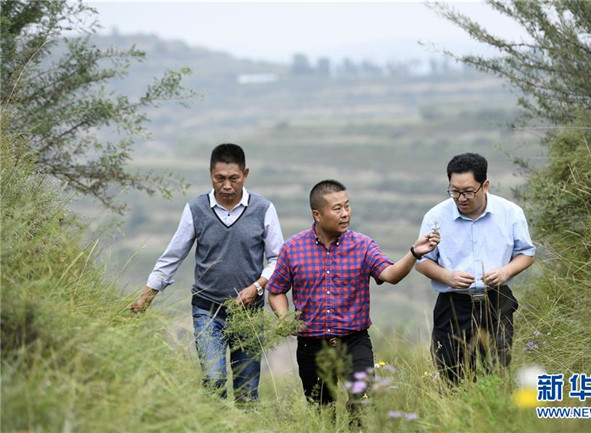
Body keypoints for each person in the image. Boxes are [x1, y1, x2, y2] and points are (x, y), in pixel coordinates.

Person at [130, 143, 284, 402]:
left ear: (245, 174)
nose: (227, 185)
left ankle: (244, 422)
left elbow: (278, 258)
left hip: (249, 313)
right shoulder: (196, 209)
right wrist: (147, 295)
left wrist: (257, 287)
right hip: (207, 309)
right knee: (214, 380)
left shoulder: (263, 209)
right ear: (211, 174)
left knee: (247, 391)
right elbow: (173, 255)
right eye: (219, 178)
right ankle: (214, 420)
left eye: (233, 178)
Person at [266, 179, 439, 408]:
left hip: (354, 342)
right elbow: (276, 290)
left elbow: (391, 274)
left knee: (363, 404)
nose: (345, 213)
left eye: (347, 206)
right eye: (337, 208)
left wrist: (414, 253)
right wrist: (284, 318)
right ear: (317, 215)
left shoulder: (363, 245)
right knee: (322, 411)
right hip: (311, 346)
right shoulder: (293, 248)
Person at [415, 152, 535, 383]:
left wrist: (505, 272)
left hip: (496, 302)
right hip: (453, 305)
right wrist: (447, 276)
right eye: (454, 191)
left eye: (468, 191)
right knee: (451, 376)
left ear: (485, 185)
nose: (461, 198)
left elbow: (526, 254)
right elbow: (422, 262)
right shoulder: (435, 217)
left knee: (494, 374)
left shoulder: (510, 213)